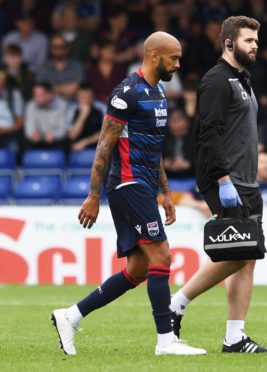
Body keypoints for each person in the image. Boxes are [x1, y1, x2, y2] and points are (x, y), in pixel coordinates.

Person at [50, 31, 206, 356]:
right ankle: (166, 340)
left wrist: (165, 193)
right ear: (154, 56)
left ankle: (70, 316)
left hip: (146, 186)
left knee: (138, 269)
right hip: (127, 183)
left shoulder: (159, 93)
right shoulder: (127, 93)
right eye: (173, 58)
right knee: (162, 254)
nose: (178, 64)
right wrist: (93, 195)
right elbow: (105, 143)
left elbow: (154, 149)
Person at [170, 16, 267, 353]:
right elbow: (208, 134)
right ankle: (176, 305)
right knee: (238, 253)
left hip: (246, 179)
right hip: (226, 179)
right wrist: (223, 179)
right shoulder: (216, 80)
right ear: (229, 43)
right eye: (249, 41)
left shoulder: (243, 79)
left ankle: (235, 337)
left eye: (256, 41)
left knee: (247, 258)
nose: (255, 46)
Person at [24, 82, 69, 150]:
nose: (36, 98)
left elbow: (64, 129)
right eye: (35, 95)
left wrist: (54, 134)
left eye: (40, 95)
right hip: (37, 141)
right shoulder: (31, 105)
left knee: (66, 142)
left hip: (57, 141)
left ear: (50, 94)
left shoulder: (62, 105)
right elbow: (29, 129)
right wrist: (33, 134)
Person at [67, 83, 103, 152]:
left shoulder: (101, 108)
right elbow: (72, 136)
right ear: (77, 97)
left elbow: (106, 133)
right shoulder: (72, 109)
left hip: (97, 147)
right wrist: (82, 116)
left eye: (87, 97)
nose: (84, 100)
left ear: (92, 97)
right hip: (76, 147)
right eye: (82, 97)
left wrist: (85, 142)